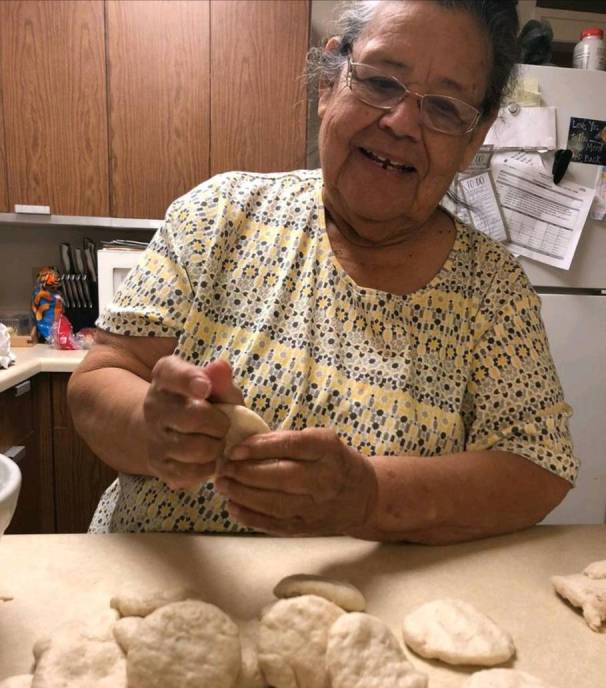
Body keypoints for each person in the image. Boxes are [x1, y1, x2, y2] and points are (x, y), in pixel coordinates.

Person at [68, 0, 577, 543]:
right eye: (382, 82)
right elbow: (99, 378)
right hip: (155, 597)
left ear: (474, 138)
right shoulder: (218, 214)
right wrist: (154, 431)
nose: (402, 123)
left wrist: (373, 498)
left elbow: (537, 469)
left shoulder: (493, 290)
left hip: (371, 617)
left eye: (446, 108)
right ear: (330, 83)